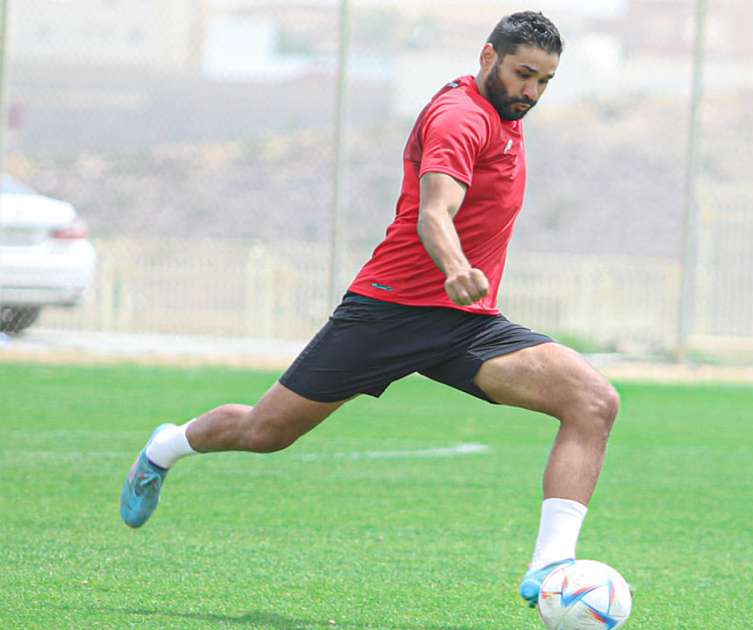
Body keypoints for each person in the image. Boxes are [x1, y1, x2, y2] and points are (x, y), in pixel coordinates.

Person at [119, 11, 618, 609]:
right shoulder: (460, 118)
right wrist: (457, 267)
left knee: (592, 402)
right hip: (389, 312)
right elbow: (435, 212)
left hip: (465, 324)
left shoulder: (504, 111)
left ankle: (551, 568)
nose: (531, 93)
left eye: (544, 81)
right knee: (265, 431)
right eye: (523, 75)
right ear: (488, 59)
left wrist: (464, 287)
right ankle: (165, 448)